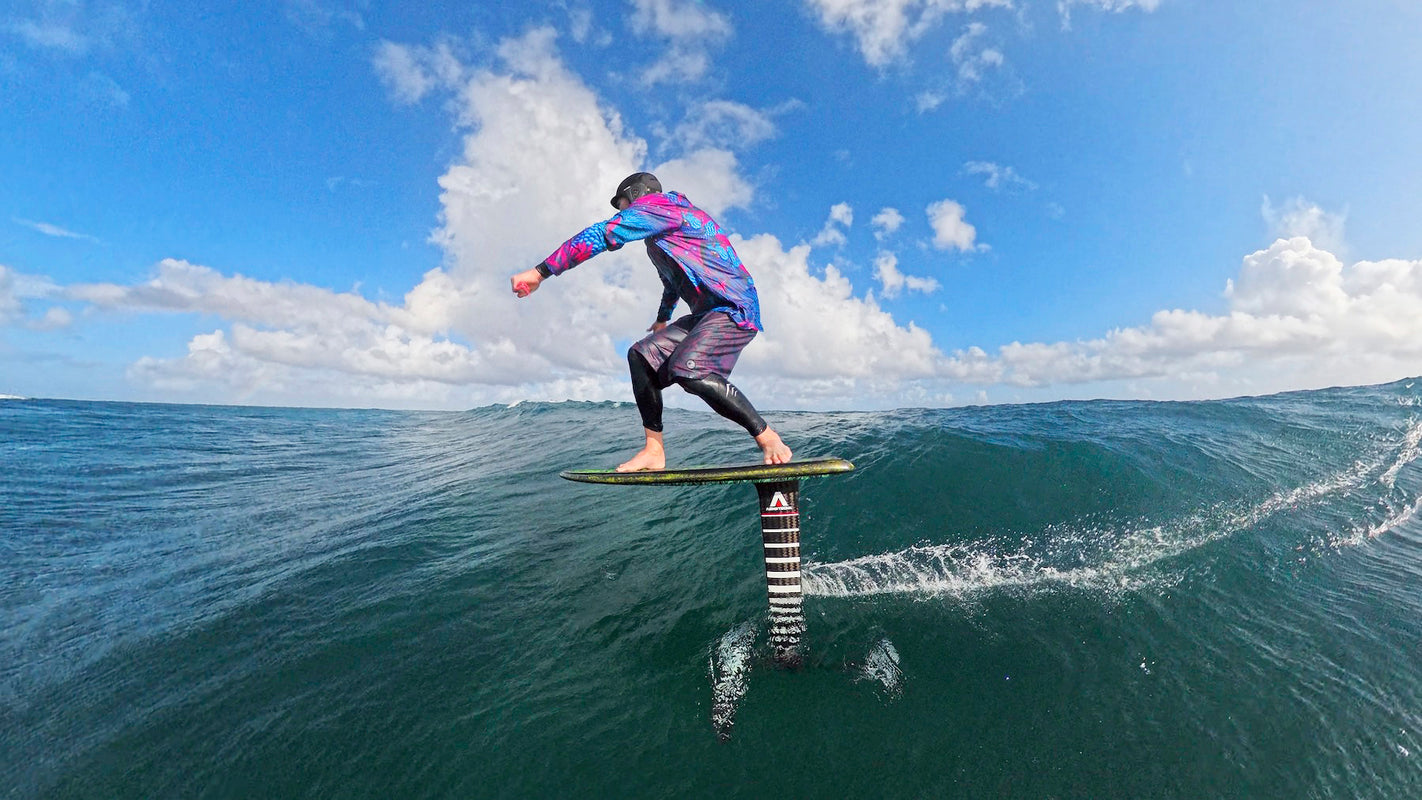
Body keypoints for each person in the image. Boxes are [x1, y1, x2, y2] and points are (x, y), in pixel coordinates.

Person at [510, 172, 792, 472]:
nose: (621, 212)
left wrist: (540, 272)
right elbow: (672, 285)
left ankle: (768, 437)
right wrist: (662, 320)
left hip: (734, 307)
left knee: (689, 368)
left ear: (636, 194)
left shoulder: (662, 206)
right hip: (705, 315)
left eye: (621, 204)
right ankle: (654, 451)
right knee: (641, 356)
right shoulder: (659, 239)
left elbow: (602, 233)